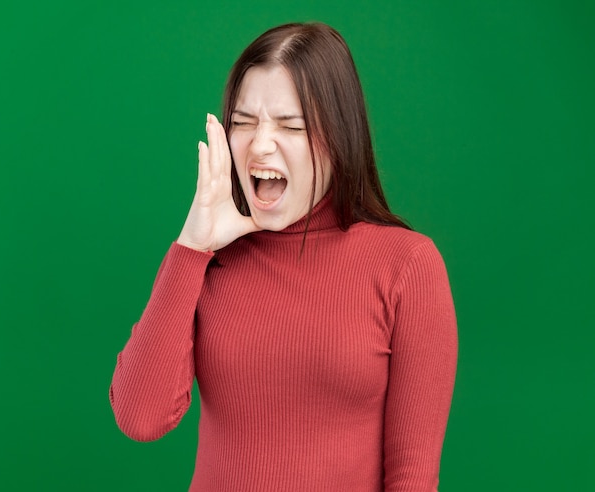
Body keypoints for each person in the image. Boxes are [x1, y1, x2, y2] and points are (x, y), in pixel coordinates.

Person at [110, 22, 458, 492]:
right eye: (243, 122)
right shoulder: (208, 259)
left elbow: (413, 478)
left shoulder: (406, 266)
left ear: (339, 136)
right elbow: (140, 417)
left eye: (291, 125)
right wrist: (191, 246)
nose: (260, 145)